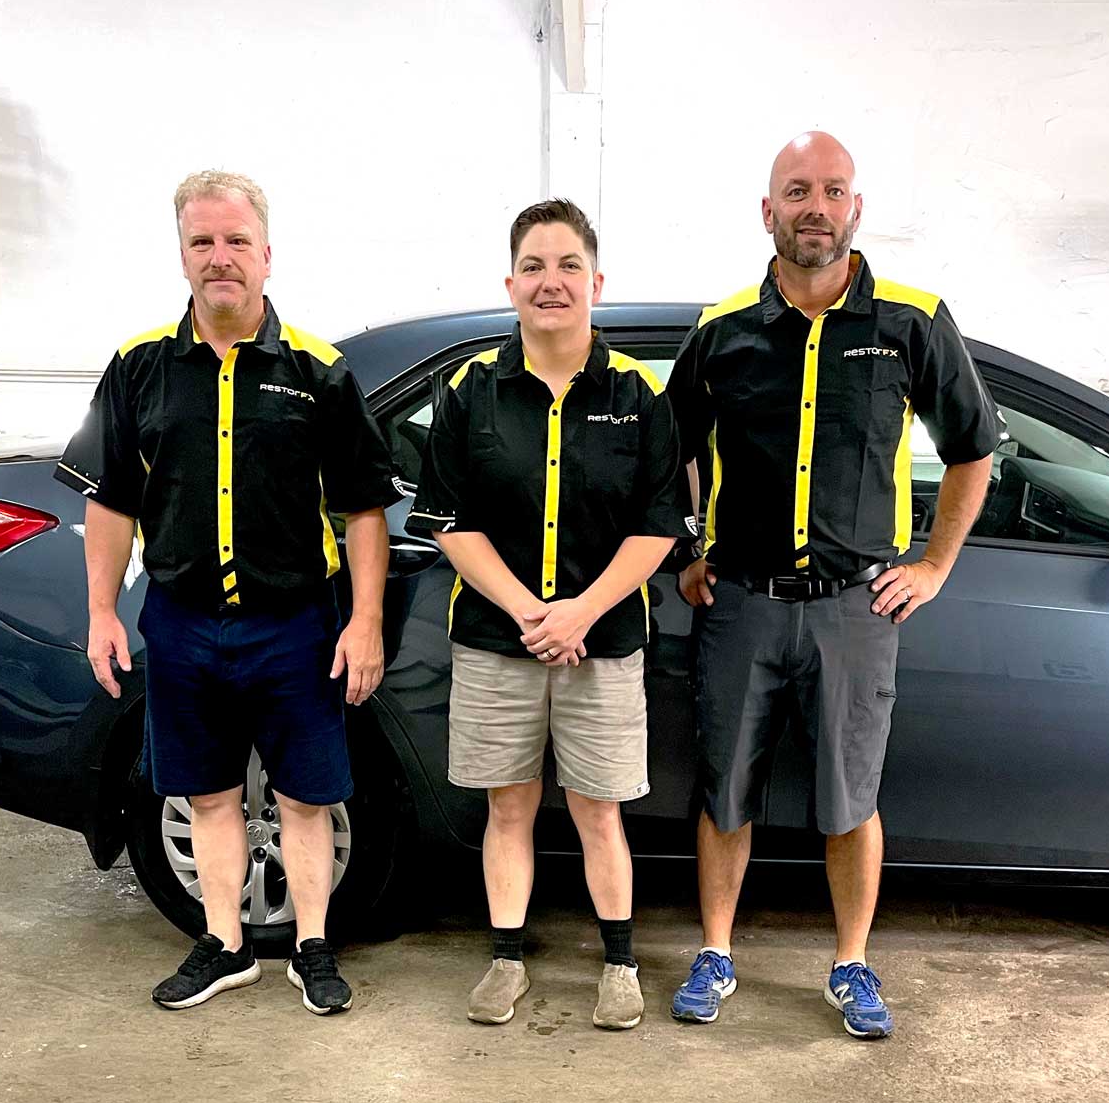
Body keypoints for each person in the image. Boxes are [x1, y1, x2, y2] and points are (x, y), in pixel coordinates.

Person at [665, 133, 1002, 1038]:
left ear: (857, 208)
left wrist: (933, 566)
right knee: (725, 787)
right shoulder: (721, 329)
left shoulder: (912, 319)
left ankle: (852, 963)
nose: (815, 206)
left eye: (833, 190)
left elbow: (975, 449)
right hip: (737, 601)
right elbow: (670, 452)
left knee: (851, 796)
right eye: (796, 190)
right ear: (767, 209)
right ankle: (716, 951)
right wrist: (687, 550)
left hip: (856, 608)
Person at [56, 170, 398, 1015]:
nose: (221, 258)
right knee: (206, 794)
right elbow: (110, 500)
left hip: (296, 626)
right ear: (182, 256)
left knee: (307, 798)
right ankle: (225, 945)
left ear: (267, 256)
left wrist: (363, 622)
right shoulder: (138, 367)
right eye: (203, 242)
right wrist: (102, 612)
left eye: (236, 242)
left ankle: (313, 948)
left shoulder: (317, 372)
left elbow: (362, 511)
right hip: (180, 622)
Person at [407, 199, 694, 1030]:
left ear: (596, 282)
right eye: (534, 267)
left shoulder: (640, 395)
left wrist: (580, 613)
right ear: (511, 284)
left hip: (602, 642)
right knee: (509, 805)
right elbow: (449, 521)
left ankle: (619, 964)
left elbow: (659, 526)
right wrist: (534, 610)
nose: (551, 282)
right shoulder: (470, 391)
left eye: (568, 265)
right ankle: (505, 961)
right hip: (501, 637)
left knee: (600, 809)